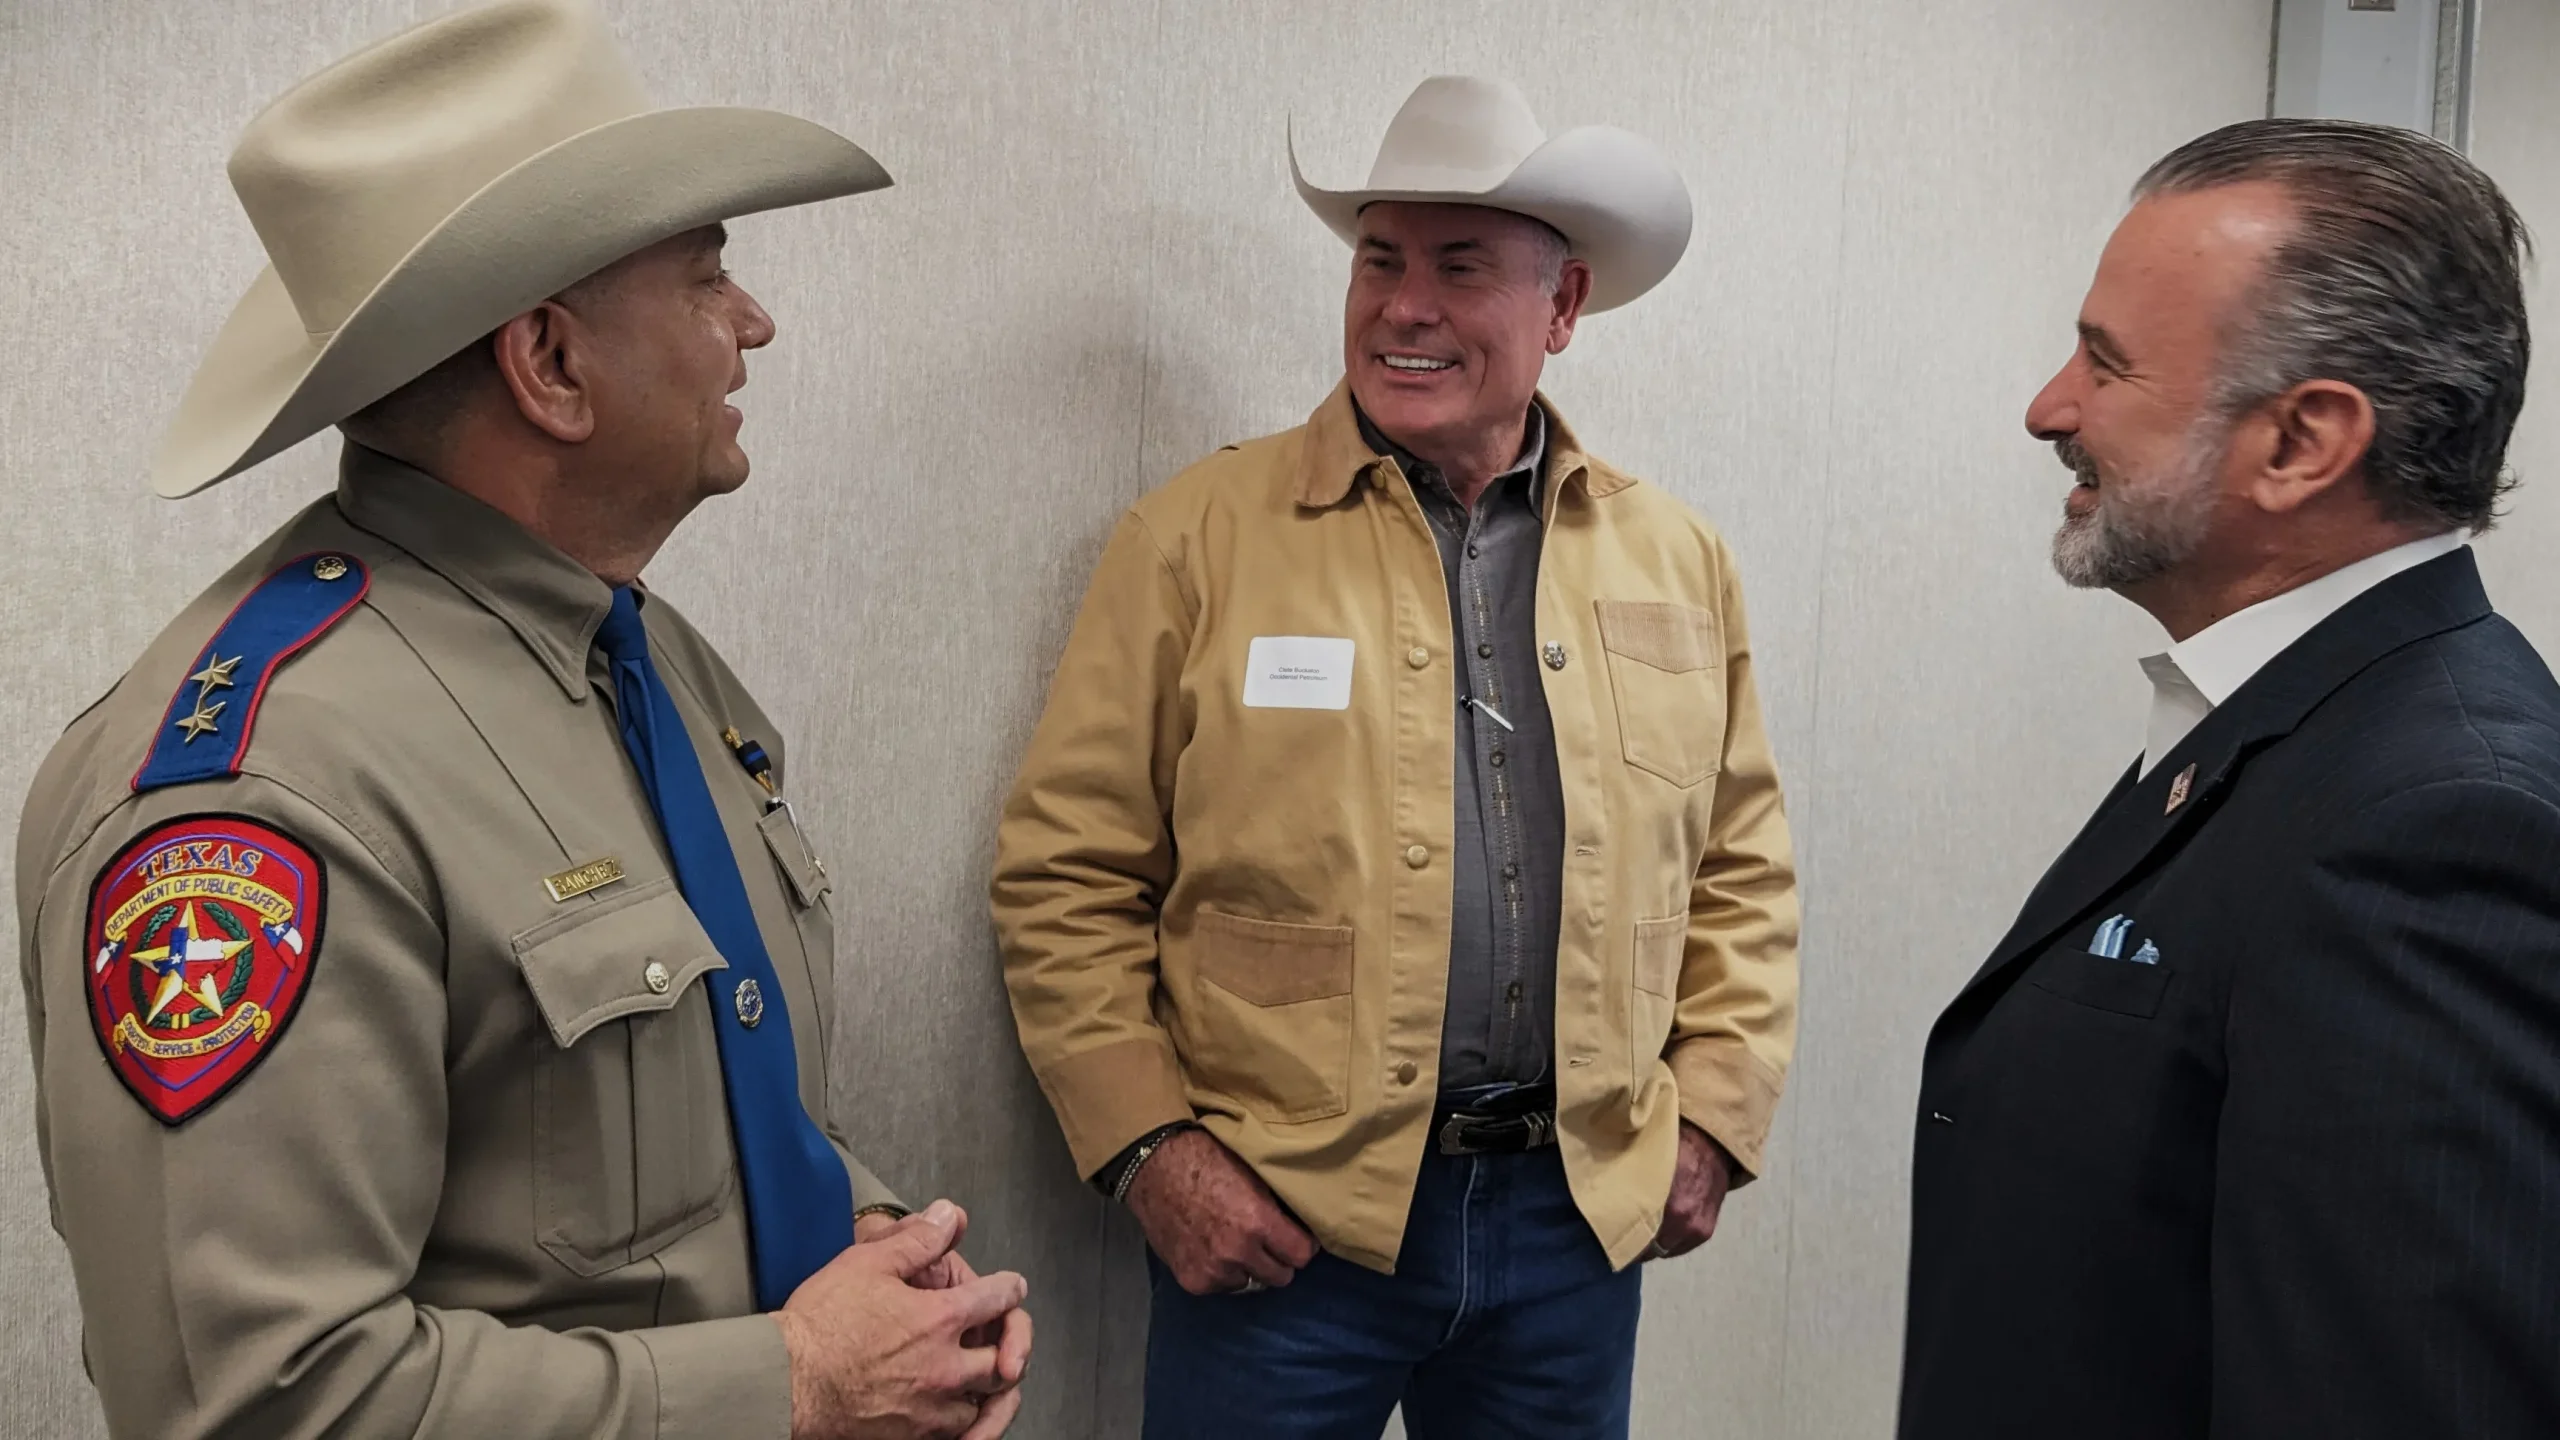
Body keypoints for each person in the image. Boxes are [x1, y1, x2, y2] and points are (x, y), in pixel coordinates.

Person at [13, 4, 1030, 1437]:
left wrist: (875, 1267)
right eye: (706, 275)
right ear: (549, 364)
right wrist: (793, 1384)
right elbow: (257, 1404)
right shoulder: (256, 799)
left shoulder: (643, 653)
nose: (753, 323)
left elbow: (665, 1135)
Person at [991, 75, 1798, 1438]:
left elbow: (1741, 873)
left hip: (1573, 1229)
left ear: (1562, 307)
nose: (1403, 306)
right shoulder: (1195, 540)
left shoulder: (1678, 560)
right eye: (1380, 261)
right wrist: (1151, 1153)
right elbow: (1066, 875)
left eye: (1459, 266)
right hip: (1285, 1226)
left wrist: (1713, 1118)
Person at [1899, 118, 2560, 1439]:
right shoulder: (2299, 725)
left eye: (2106, 363)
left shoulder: (2438, 824)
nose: (2049, 408)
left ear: (2303, 444)